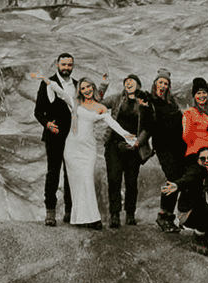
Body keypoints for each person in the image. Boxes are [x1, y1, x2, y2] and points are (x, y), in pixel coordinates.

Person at [64, 78, 135, 228]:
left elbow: (112, 123)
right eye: (83, 88)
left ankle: (93, 219)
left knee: (87, 180)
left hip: (88, 148)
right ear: (80, 91)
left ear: (93, 88)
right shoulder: (75, 103)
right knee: (77, 184)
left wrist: (126, 134)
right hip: (72, 148)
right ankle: (81, 219)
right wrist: (46, 81)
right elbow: (59, 91)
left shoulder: (99, 107)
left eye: (89, 86)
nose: (87, 90)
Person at [33, 53, 80, 225]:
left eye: (69, 65)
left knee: (71, 174)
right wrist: (47, 124)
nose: (66, 67)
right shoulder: (47, 83)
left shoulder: (77, 85)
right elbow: (38, 111)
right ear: (57, 64)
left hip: (73, 136)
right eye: (64, 64)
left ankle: (69, 211)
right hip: (54, 135)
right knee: (53, 173)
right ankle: (50, 213)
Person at [105, 75, 154, 227]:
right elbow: (96, 103)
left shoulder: (145, 102)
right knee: (114, 180)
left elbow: (149, 127)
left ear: (139, 85)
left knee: (131, 182)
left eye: (132, 81)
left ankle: (130, 214)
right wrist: (102, 86)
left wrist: (137, 143)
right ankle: (114, 214)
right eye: (126, 81)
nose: (128, 83)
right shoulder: (116, 99)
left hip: (134, 148)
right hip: (114, 145)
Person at [147, 72, 188, 230]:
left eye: (166, 83)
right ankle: (164, 215)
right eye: (161, 82)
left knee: (179, 178)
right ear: (155, 83)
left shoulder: (172, 102)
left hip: (178, 145)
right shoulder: (150, 101)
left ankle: (170, 217)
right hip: (163, 146)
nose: (163, 86)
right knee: (173, 176)